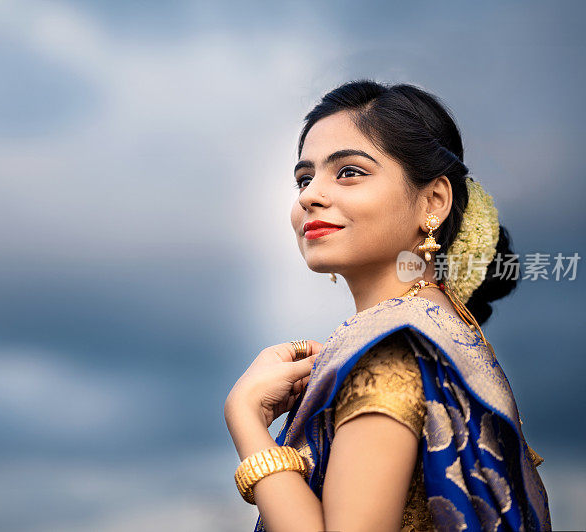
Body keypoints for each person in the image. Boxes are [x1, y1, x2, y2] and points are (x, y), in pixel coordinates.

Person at [224, 80, 551, 531]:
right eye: (304, 178)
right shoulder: (447, 331)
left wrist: (247, 419)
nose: (308, 196)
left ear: (433, 202)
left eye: (349, 172)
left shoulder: (390, 349)